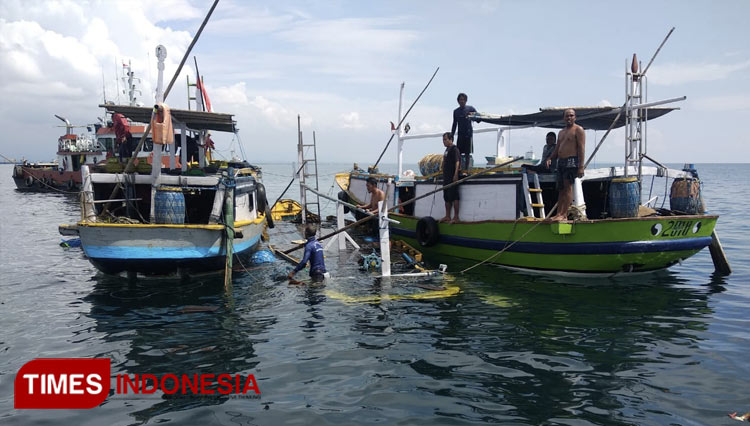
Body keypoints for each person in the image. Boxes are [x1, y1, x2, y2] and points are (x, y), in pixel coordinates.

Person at [546, 109, 585, 220]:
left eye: (571, 115)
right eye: (567, 116)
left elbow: (581, 148)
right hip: (561, 162)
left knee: (568, 187)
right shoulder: (561, 132)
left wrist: (581, 166)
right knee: (561, 188)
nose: (569, 118)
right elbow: (557, 148)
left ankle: (564, 214)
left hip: (571, 161)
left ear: (575, 117)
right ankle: (559, 213)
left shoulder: (578, 130)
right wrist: (550, 158)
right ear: (563, 118)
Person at [451, 93, 478, 170]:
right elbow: (454, 124)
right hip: (460, 134)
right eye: (460, 100)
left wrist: (472, 115)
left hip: (468, 134)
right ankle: (458, 168)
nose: (462, 101)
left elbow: (478, 119)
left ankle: (466, 169)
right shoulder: (456, 111)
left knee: (467, 153)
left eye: (463, 100)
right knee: (458, 152)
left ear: (466, 100)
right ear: (458, 101)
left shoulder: (470, 108)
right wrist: (452, 135)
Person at [439, 132, 461, 224]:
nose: (444, 142)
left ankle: (456, 217)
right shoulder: (447, 150)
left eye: (445, 139)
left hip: (452, 176)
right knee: (447, 197)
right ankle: (447, 216)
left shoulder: (454, 149)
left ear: (451, 139)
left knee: (454, 196)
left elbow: (457, 162)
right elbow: (445, 160)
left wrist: (455, 174)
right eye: (443, 140)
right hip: (446, 177)